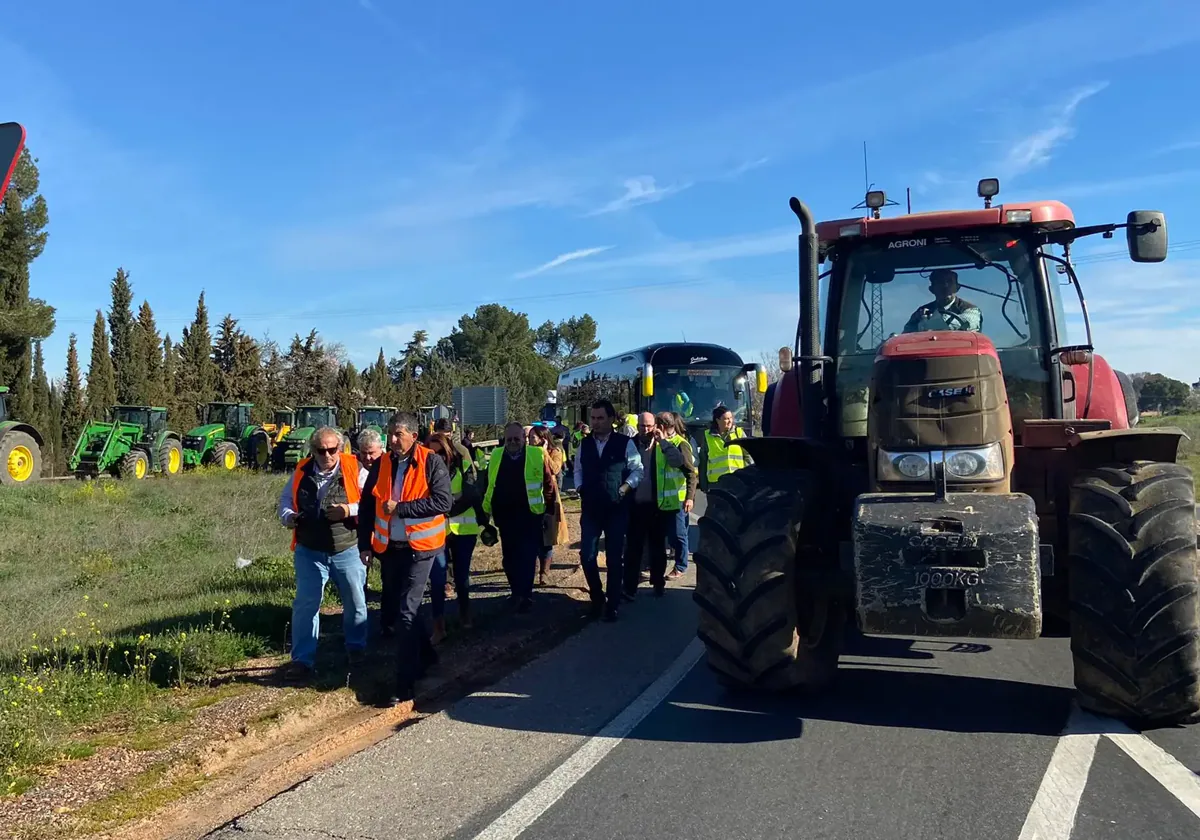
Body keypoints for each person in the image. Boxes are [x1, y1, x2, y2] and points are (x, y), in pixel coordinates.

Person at [357, 412, 453, 711]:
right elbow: (367, 504)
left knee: (406, 613)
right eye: (390, 434)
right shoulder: (383, 463)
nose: (393, 439)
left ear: (413, 434)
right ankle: (428, 656)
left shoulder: (430, 461)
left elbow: (443, 502)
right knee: (403, 610)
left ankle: (404, 683)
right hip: (391, 548)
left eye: (398, 434)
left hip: (421, 549)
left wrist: (403, 508)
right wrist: (365, 544)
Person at [278, 427, 369, 685]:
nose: (327, 455)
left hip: (347, 548)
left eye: (332, 449)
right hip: (310, 550)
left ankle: (356, 649)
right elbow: (285, 501)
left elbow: (371, 502)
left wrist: (348, 510)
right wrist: (289, 517)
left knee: (355, 600)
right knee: (306, 604)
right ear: (313, 450)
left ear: (340, 448)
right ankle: (302, 661)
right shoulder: (301, 470)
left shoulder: (354, 467)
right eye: (321, 450)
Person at [573, 399, 644, 621]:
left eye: (600, 418)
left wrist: (625, 488)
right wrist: (580, 487)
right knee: (587, 556)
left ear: (612, 419)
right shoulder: (584, 444)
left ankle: (612, 604)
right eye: (593, 418)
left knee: (614, 559)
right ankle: (597, 597)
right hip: (592, 509)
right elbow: (577, 469)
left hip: (616, 508)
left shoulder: (624, 443)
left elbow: (638, 470)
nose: (596, 422)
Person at [482, 421, 557, 612]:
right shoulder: (497, 455)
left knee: (528, 556)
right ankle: (516, 592)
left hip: (530, 515)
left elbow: (548, 484)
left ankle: (525, 595)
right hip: (505, 516)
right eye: (509, 439)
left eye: (517, 438)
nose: (513, 442)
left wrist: (549, 511)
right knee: (509, 558)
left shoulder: (536, 454)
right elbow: (489, 483)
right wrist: (485, 512)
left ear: (524, 440)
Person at [424, 431, 483, 640]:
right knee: (437, 579)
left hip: (463, 530)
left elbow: (471, 495)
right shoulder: (422, 472)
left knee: (461, 575)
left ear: (448, 451)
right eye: (432, 452)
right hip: (436, 531)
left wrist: (444, 505)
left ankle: (465, 613)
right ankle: (439, 627)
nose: (436, 456)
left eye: (440, 452)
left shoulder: (462, 466)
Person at [657, 411, 698, 582]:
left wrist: (689, 497)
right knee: (667, 535)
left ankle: (680, 566)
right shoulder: (657, 443)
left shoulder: (681, 444)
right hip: (662, 500)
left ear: (663, 427)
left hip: (679, 499)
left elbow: (690, 472)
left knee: (679, 535)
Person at [528, 425, 569, 586]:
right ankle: (530, 572)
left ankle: (543, 573)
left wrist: (543, 451)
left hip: (548, 498)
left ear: (543, 438)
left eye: (533, 437)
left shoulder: (555, 451)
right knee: (532, 538)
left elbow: (555, 469)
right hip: (531, 499)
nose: (530, 440)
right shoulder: (528, 453)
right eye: (529, 437)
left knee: (547, 538)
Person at [903, 268, 983, 334]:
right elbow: (906, 333)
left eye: (950, 281)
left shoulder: (970, 309)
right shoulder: (920, 312)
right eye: (940, 282)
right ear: (931, 289)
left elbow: (968, 323)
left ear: (957, 287)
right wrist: (920, 319)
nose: (945, 286)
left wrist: (926, 323)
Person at [700, 406, 750, 491]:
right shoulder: (708, 436)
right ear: (717, 420)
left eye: (731, 418)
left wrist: (749, 479)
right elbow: (703, 462)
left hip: (737, 481)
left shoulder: (739, 433)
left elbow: (748, 457)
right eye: (726, 418)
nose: (730, 421)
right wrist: (704, 484)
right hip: (716, 483)